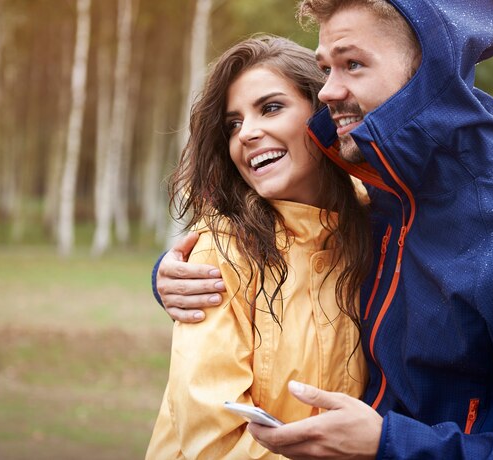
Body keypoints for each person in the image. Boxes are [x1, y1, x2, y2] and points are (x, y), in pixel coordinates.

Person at [153, 0, 493, 458]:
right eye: (325, 68)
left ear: (428, 68)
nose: (327, 91)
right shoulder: (386, 195)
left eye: (352, 64)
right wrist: (174, 276)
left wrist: (389, 444)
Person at [145, 35, 373, 459]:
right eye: (233, 124)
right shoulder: (220, 249)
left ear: (323, 113)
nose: (247, 133)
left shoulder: (379, 226)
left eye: (270, 108)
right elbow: (211, 438)